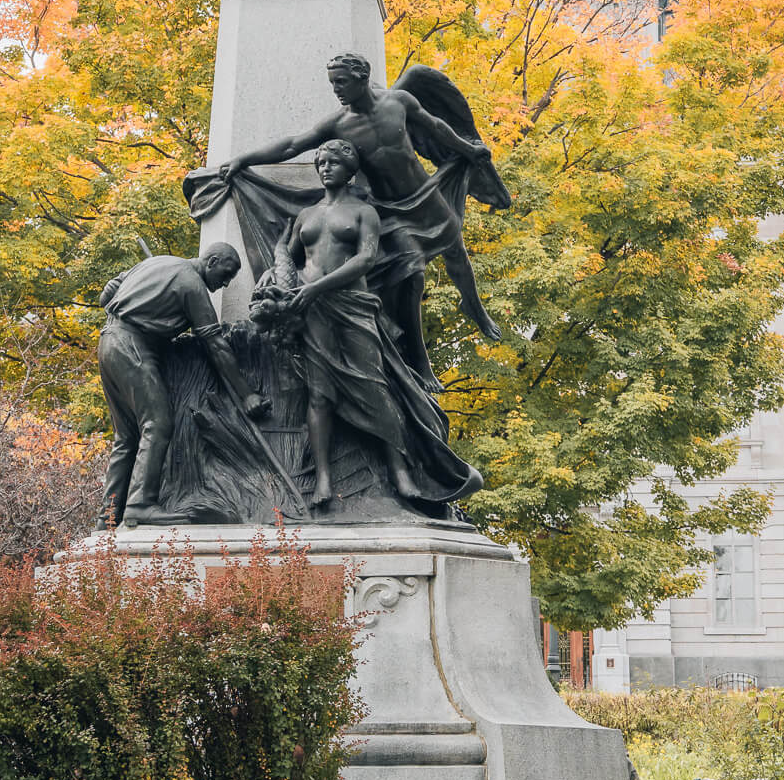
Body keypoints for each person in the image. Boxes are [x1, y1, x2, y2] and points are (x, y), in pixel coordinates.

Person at [221, 52, 500, 388]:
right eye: (332, 83)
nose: (336, 90)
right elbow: (293, 145)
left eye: (341, 82)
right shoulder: (338, 124)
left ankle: (474, 307)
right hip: (388, 210)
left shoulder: (399, 101)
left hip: (424, 193)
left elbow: (436, 126)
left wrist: (467, 150)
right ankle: (420, 360)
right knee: (412, 278)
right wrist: (242, 159)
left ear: (361, 78)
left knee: (456, 250)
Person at [282, 139, 481, 510]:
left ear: (350, 169)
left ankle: (400, 469)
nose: (325, 168)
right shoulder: (306, 215)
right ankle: (323, 478)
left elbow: (365, 260)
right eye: (320, 162)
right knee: (320, 393)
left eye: (333, 163)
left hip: (353, 306)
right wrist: (287, 283)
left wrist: (316, 288)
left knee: (376, 387)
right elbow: (292, 256)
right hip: (313, 312)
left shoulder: (363, 212)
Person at [97, 242, 266, 526]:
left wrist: (147, 302)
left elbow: (108, 293)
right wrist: (247, 394)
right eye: (225, 274)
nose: (225, 283)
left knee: (126, 437)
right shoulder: (192, 285)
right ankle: (140, 504)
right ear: (210, 261)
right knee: (157, 423)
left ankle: (108, 516)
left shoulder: (157, 262)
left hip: (108, 341)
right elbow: (216, 345)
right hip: (133, 348)